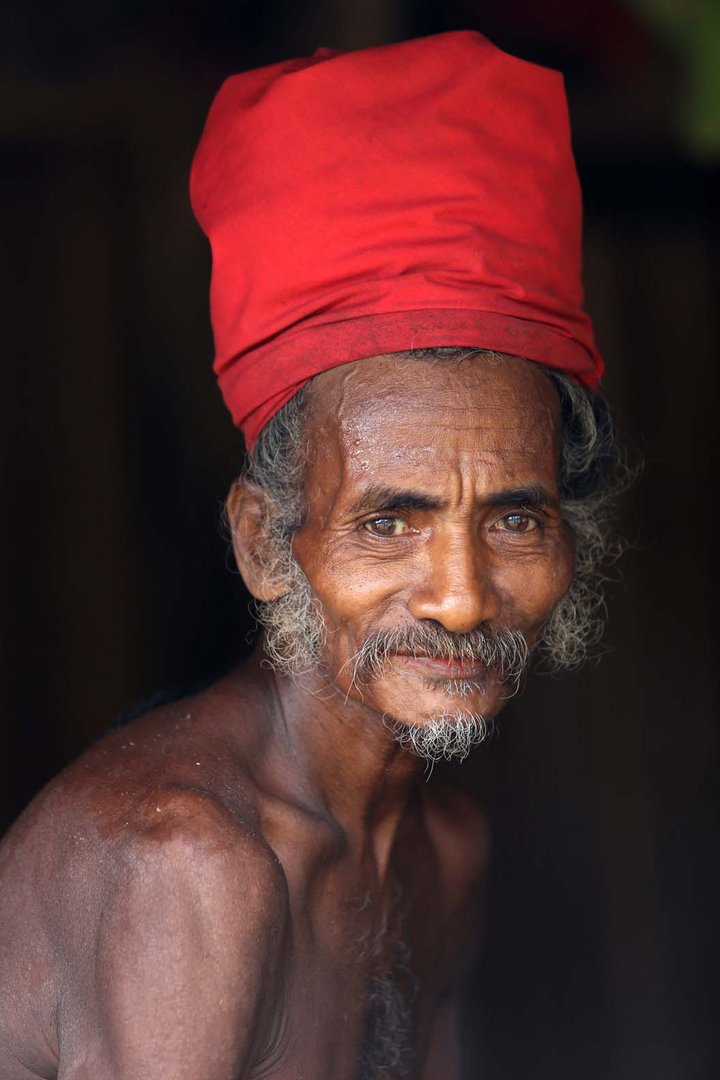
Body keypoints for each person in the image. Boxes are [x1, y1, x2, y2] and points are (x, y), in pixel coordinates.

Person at [0, 30, 622, 1079]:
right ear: (262, 543)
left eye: (515, 519)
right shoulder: (190, 869)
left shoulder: (443, 851)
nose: (464, 599)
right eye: (388, 522)